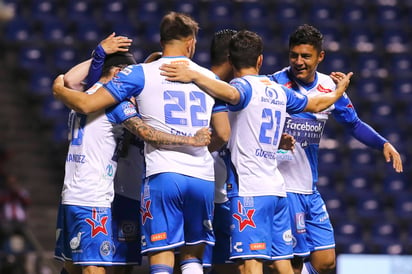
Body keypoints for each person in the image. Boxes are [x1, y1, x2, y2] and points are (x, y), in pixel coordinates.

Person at [159, 30, 353, 274]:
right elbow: (315, 103)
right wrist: (339, 90)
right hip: (277, 190)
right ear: (260, 60)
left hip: (249, 192)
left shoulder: (240, 87)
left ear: (231, 60)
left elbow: (231, 94)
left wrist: (194, 74)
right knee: (284, 264)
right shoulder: (277, 89)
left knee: (250, 265)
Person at [52, 11, 229, 274]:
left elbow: (79, 93)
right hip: (199, 176)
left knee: (159, 256)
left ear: (162, 39)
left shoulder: (138, 76)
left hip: (155, 177)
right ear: (191, 42)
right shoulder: (208, 79)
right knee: (192, 255)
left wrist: (60, 87)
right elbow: (223, 133)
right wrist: (195, 142)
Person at [265, 24, 404, 274]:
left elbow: (353, 124)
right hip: (283, 188)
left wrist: (383, 143)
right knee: (292, 263)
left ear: (321, 56)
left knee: (326, 262)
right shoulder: (275, 84)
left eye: (306, 56)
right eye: (294, 55)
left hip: (309, 188)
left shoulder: (330, 87)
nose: (298, 61)